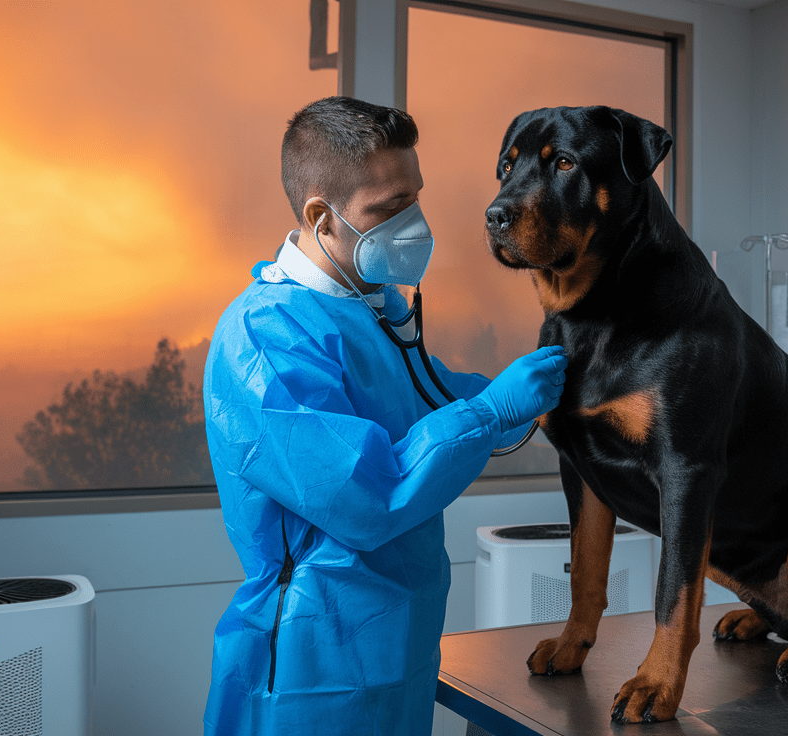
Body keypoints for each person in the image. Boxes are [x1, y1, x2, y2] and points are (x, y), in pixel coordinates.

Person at [201, 96, 568, 735]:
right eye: (389, 209)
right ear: (321, 217)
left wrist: (535, 399)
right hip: (313, 666)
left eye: (414, 198)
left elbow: (434, 399)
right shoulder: (265, 339)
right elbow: (370, 496)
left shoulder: (371, 309)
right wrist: (493, 409)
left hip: (400, 643)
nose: (414, 224)